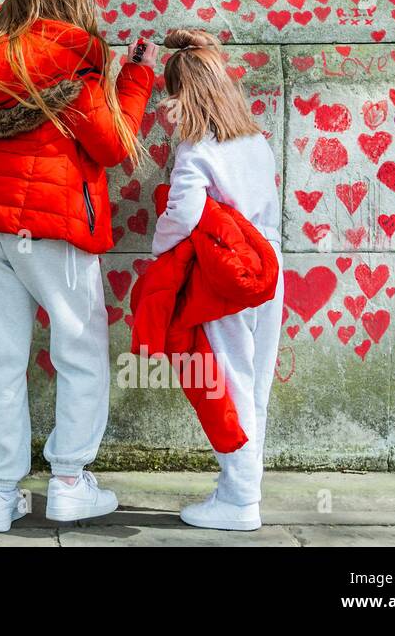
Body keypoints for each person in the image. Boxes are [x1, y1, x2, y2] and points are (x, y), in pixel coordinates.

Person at [0, 0, 157, 532]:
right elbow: (113, 146)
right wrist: (136, 77)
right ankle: (68, 482)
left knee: (5, 355)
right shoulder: (76, 57)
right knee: (80, 352)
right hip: (52, 224)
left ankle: (0, 495)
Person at [151, 28, 283, 531]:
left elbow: (183, 214)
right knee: (255, 384)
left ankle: (239, 500)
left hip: (226, 274)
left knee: (229, 384)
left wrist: (159, 249)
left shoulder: (197, 149)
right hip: (268, 266)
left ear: (182, 94)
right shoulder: (255, 141)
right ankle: (243, 490)